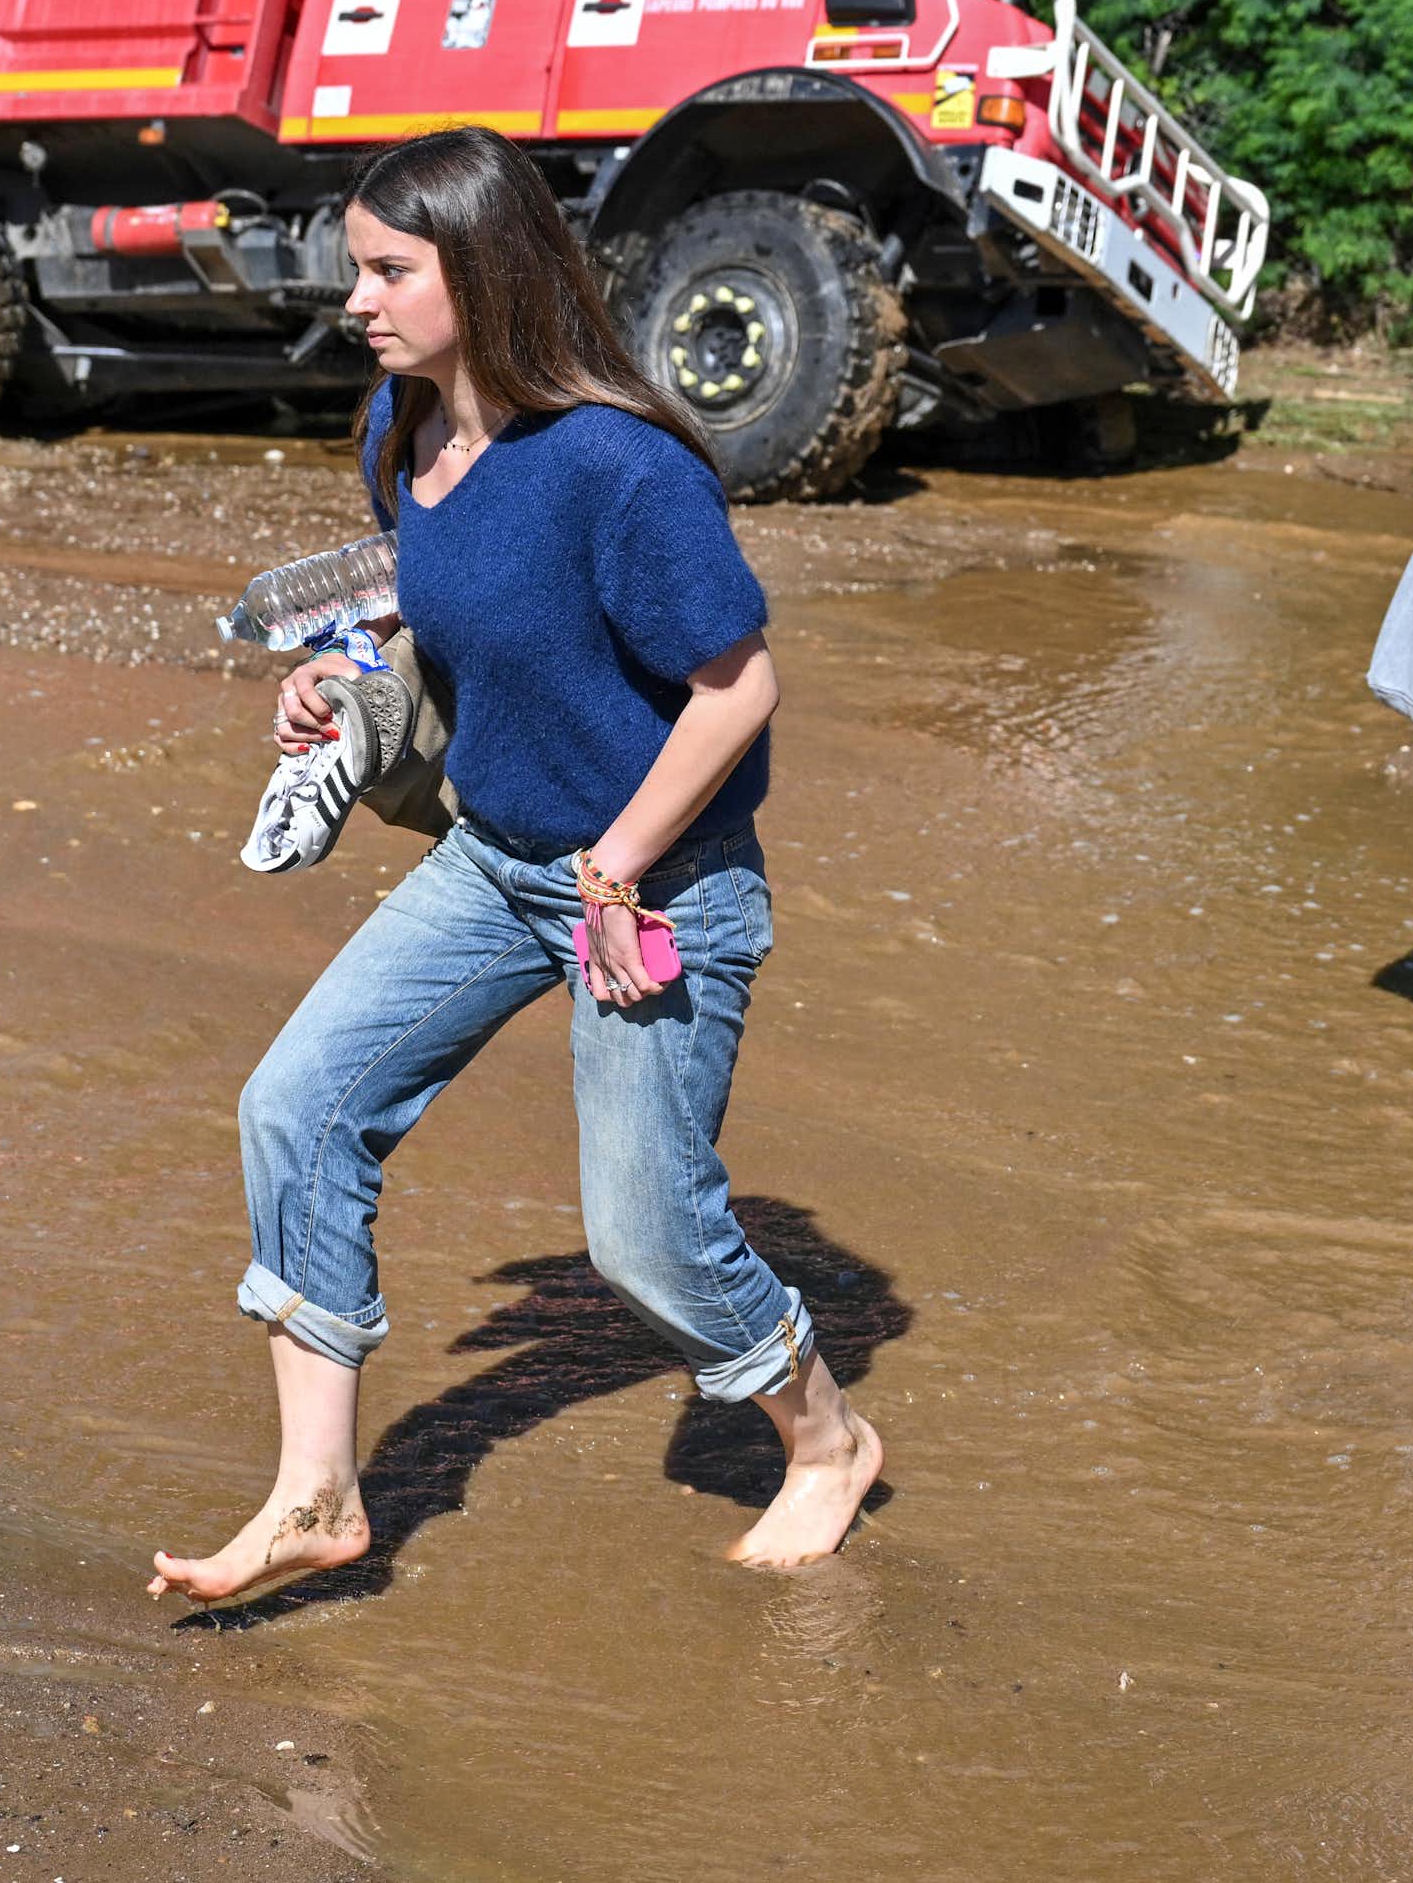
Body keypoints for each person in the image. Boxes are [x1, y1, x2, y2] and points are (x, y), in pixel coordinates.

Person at [149, 127, 881, 1600]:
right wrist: (346, 687)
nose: (356, 296)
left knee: (647, 1243)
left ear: (481, 272)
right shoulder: (401, 430)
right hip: (494, 862)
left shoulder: (620, 466)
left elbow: (738, 691)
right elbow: (461, 620)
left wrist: (614, 863)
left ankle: (827, 1438)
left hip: (658, 889)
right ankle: (316, 1496)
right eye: (355, 267)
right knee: (295, 1108)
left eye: (387, 270)